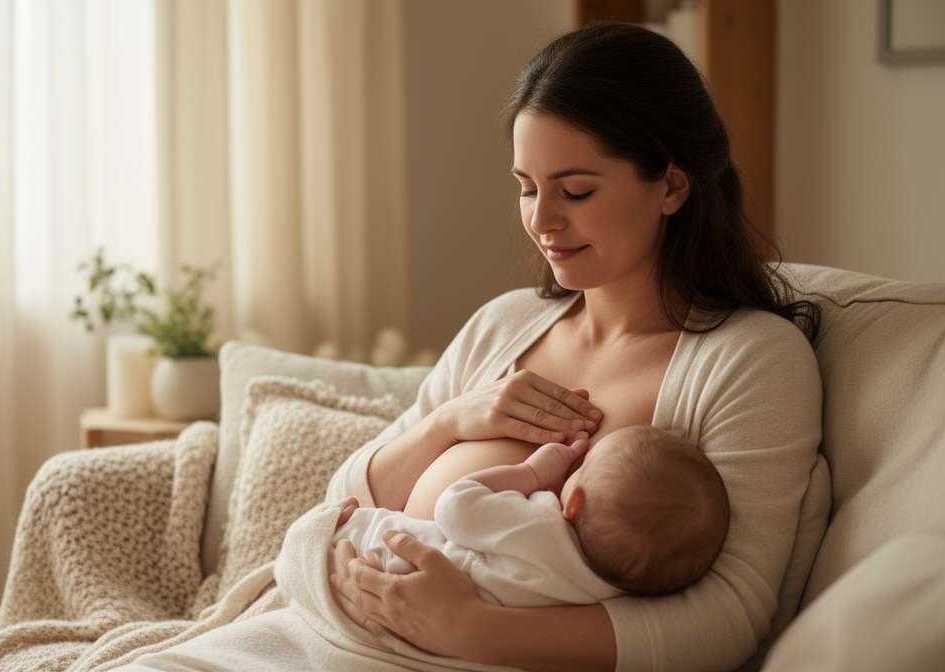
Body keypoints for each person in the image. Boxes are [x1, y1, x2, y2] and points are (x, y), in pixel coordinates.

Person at [325, 21, 824, 672]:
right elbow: (340, 502)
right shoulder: (504, 325)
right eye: (527, 187)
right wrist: (452, 421)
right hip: (342, 631)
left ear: (672, 186)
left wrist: (470, 628)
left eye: (576, 190)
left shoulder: (751, 360)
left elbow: (731, 615)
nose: (542, 220)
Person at [328, 425, 730, 619]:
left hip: (401, 572)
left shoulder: (540, 526)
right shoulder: (604, 589)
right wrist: (447, 421)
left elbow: (455, 506)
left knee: (327, 533)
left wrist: (531, 474)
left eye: (584, 466)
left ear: (573, 503)